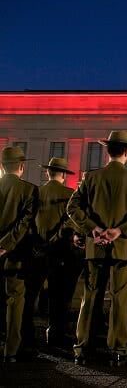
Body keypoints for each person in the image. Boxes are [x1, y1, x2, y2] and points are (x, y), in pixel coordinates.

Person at [67, 131, 127, 366]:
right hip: (121, 249)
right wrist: (121, 230)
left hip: (95, 247)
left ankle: (83, 349)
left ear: (107, 151)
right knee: (119, 299)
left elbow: (72, 208)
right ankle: (118, 349)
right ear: (126, 152)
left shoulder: (91, 178)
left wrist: (93, 229)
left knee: (91, 297)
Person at [26, 158, 79, 351]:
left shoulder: (36, 193)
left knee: (31, 295)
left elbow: (28, 222)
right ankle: (55, 335)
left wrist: (39, 243)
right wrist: (53, 241)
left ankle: (28, 336)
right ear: (64, 175)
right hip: (61, 252)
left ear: (48, 173)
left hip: (37, 251)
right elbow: (69, 224)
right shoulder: (69, 194)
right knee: (60, 297)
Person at [0, 146, 38, 363]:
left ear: (2, 167)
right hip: (16, 255)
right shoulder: (29, 190)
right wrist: (6, 245)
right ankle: (11, 350)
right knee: (15, 302)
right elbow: (24, 223)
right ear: (22, 167)